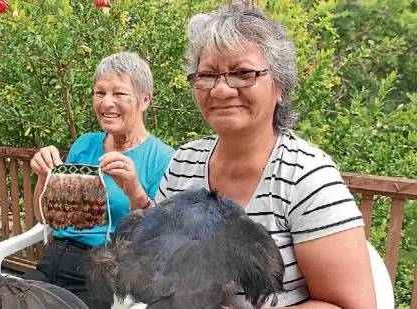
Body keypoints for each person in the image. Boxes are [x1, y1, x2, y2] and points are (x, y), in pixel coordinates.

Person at [154, 4, 376, 309]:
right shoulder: (184, 162)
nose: (221, 90)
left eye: (243, 73)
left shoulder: (307, 176)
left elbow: (354, 305)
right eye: (207, 75)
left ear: (280, 87)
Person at [25, 52, 175, 309]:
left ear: (145, 100)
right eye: (99, 93)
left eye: (119, 94)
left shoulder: (163, 157)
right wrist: (44, 177)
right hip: (54, 259)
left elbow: (160, 244)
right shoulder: (85, 144)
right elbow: (46, 217)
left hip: (104, 275)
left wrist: (135, 192)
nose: (107, 103)